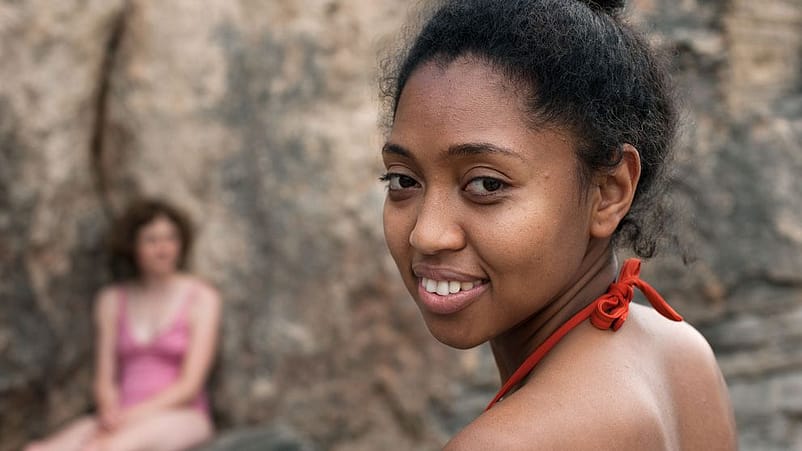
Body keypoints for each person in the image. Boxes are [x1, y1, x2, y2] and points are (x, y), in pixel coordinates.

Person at [379, 0, 737, 449]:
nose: (426, 234)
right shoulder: (682, 353)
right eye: (403, 180)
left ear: (609, 192)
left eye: (487, 184)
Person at [25, 199, 221, 451]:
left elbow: (190, 385)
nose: (163, 249)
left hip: (180, 414)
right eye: (151, 240)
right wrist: (110, 411)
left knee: (107, 449)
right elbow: (105, 377)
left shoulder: (202, 297)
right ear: (134, 246)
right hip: (120, 414)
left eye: (171, 238)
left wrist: (131, 417)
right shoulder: (111, 300)